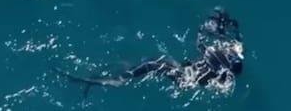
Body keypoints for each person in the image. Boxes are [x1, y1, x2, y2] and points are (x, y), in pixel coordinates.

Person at [60, 8, 244, 96]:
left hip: (187, 79)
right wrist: (225, 25)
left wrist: (204, 29)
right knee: (150, 61)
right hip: (188, 72)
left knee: (152, 65)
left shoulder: (219, 59)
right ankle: (122, 72)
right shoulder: (230, 51)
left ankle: (117, 81)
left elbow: (200, 44)